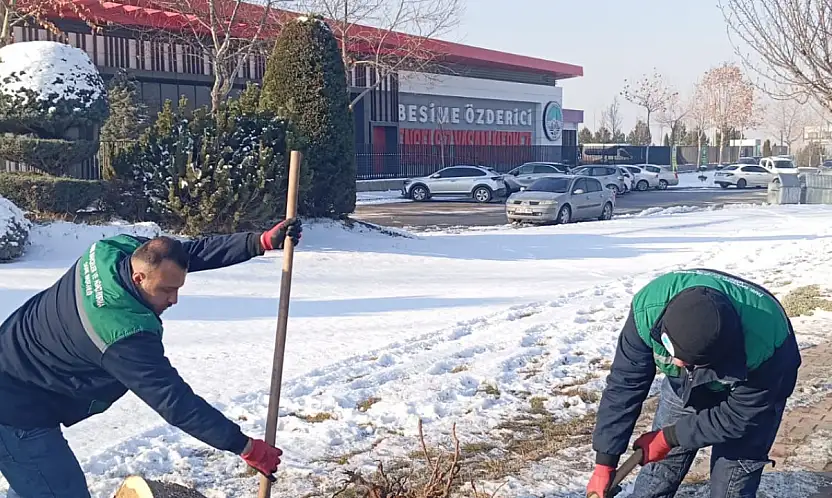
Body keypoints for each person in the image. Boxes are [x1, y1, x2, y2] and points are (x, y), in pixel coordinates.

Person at [0, 218, 303, 497]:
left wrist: (258, 242)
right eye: (167, 290)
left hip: (20, 370)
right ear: (138, 277)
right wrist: (246, 447)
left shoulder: (111, 250)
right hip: (16, 410)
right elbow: (176, 403)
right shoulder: (121, 333)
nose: (174, 299)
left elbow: (180, 254)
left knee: (36, 486)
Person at [586, 268, 801, 498]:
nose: (676, 362)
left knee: (730, 483)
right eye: (672, 350)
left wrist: (669, 437)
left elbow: (739, 417)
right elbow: (625, 385)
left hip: (749, 396)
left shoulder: (768, 343)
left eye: (690, 360)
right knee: (658, 472)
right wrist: (605, 461)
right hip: (685, 388)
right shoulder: (648, 310)